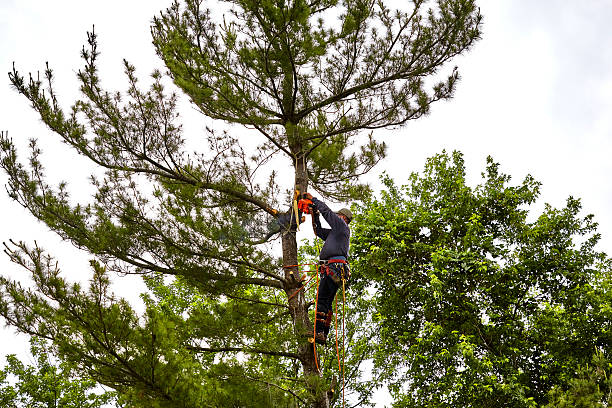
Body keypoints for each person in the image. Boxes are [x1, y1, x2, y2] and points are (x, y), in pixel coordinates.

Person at [302, 192, 352, 345]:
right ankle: (323, 334)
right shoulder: (335, 233)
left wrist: (314, 200)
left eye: (338, 216)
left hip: (334, 268)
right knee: (326, 301)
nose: (335, 218)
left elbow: (328, 213)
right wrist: (314, 215)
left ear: (343, 218)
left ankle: (318, 332)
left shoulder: (341, 226)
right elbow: (318, 231)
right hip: (335, 270)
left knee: (322, 299)